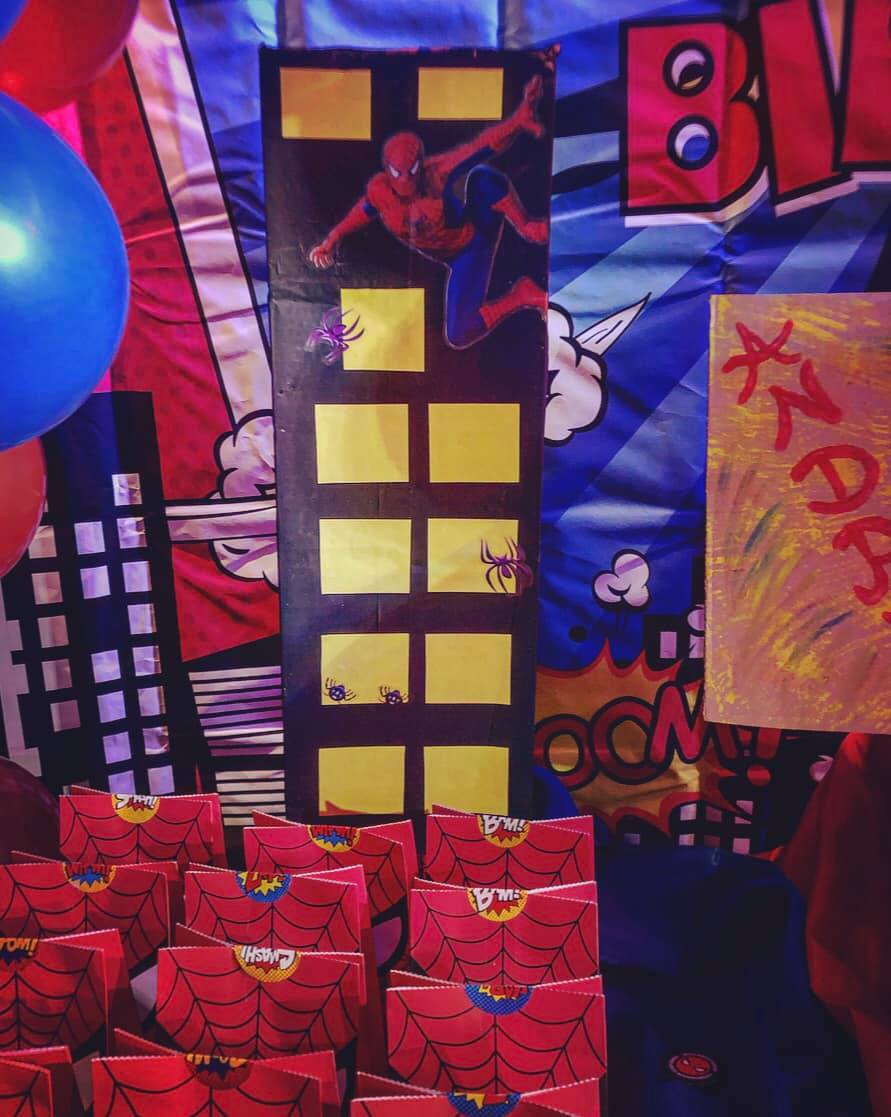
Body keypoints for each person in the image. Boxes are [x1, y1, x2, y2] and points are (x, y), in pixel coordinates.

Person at [309, 75, 549, 348]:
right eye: (398, 173)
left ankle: (526, 226)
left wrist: (518, 119)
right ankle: (521, 295)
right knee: (459, 333)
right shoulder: (380, 191)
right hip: (457, 258)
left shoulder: (437, 173)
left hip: (472, 241)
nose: (405, 181)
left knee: (482, 177)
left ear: (420, 164)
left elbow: (481, 146)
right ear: (387, 169)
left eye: (411, 171)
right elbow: (362, 211)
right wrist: (332, 239)